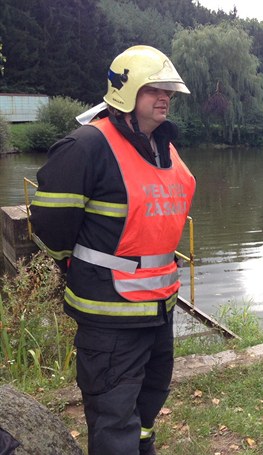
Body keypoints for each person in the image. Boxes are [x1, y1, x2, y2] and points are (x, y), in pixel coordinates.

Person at [30, 45, 196, 455]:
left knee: (147, 404)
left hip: (159, 306)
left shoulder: (163, 146)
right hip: (110, 315)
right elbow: (51, 227)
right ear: (125, 92)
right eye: (152, 89)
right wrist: (79, 265)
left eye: (168, 92)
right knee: (113, 414)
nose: (163, 98)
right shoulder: (86, 146)